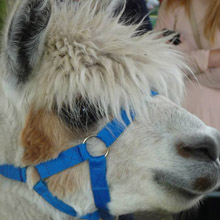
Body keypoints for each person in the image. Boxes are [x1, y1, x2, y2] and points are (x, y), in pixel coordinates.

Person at [155, 0, 220, 131]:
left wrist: (182, 58)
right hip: (175, 113)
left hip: (204, 115)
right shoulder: (172, 4)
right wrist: (209, 59)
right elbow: (157, 62)